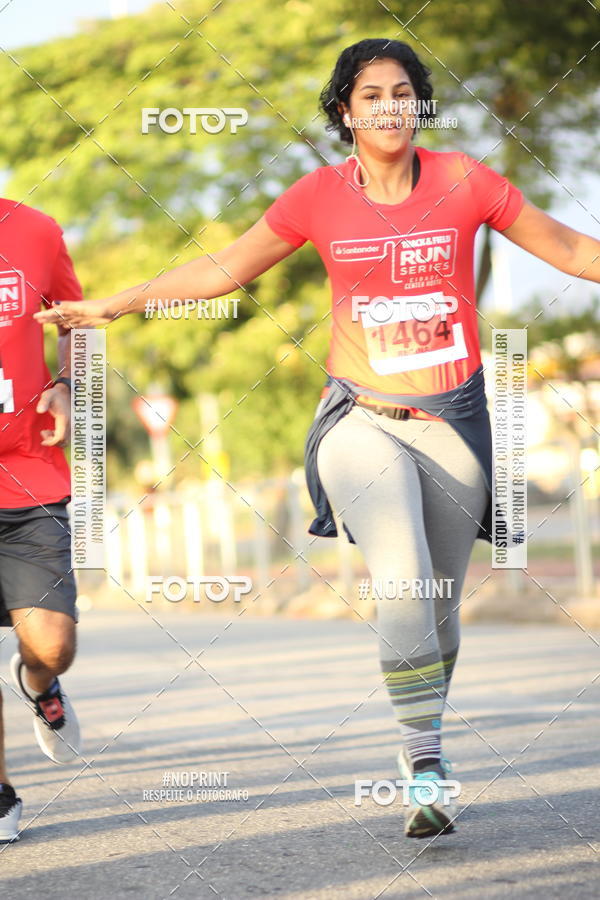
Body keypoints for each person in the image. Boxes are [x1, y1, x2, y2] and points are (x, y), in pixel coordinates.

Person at [35, 38, 600, 839]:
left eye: (404, 91)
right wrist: (115, 305)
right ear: (345, 111)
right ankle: (425, 759)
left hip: (453, 424)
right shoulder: (317, 198)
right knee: (402, 581)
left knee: (438, 607)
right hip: (360, 420)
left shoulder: (466, 182)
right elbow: (223, 270)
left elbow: (575, 251)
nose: (390, 106)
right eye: (371, 94)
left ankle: (422, 748)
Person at [0, 199, 83, 842]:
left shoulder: (34, 229)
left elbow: (78, 323)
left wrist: (67, 382)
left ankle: (36, 681)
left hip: (28, 471)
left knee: (54, 645)